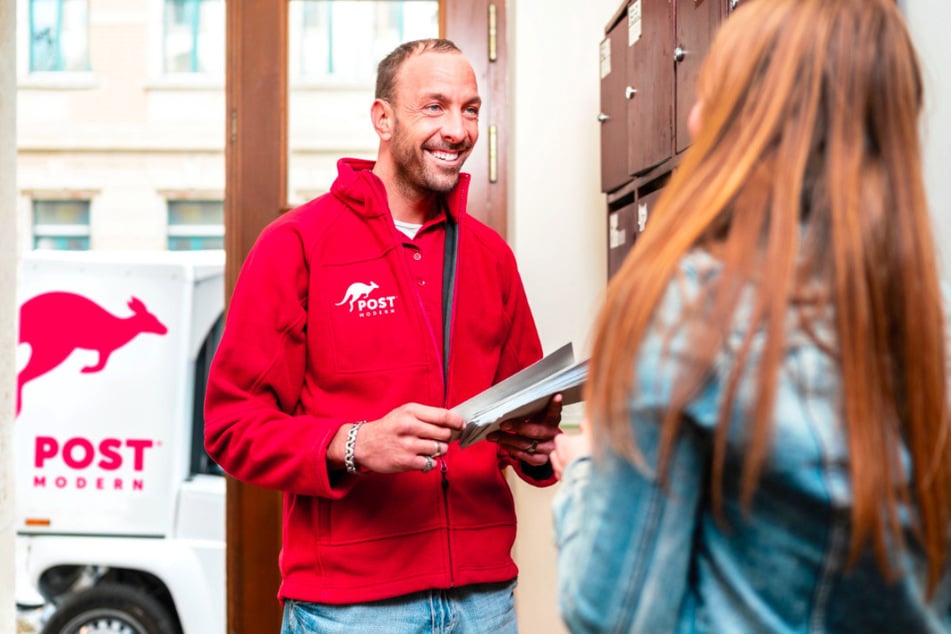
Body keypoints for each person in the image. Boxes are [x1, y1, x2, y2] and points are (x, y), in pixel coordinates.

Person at [550, 0, 951, 632]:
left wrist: (589, 467)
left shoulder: (692, 309)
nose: (694, 114)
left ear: (747, 120)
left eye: (716, 91)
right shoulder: (922, 335)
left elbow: (611, 614)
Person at [204, 38, 562, 634]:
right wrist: (353, 444)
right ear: (383, 117)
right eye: (435, 107)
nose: (457, 129)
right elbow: (230, 426)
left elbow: (518, 408)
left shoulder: (491, 257)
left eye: (470, 109)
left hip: (485, 602)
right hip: (351, 611)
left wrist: (531, 441)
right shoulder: (297, 245)